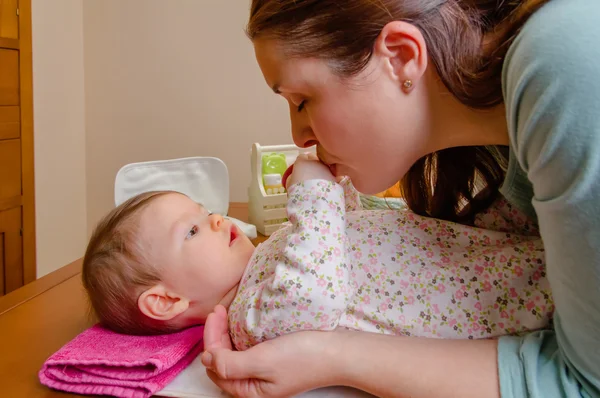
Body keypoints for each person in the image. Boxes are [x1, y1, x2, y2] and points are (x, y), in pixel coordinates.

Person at [199, 0, 600, 397]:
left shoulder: (565, 67)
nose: (299, 136)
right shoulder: (506, 139)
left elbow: (585, 384)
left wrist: (334, 357)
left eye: (301, 100)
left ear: (400, 57)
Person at [82, 154, 550, 346]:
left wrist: (335, 187)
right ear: (166, 300)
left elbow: (344, 234)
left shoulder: (269, 257)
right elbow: (316, 296)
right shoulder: (250, 318)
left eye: (205, 212)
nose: (217, 220)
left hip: (484, 244)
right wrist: (312, 196)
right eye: (192, 232)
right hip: (510, 291)